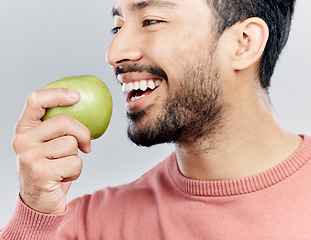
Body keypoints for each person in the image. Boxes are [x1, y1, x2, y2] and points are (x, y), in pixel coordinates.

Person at [1, 0, 309, 239]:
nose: (114, 53)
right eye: (117, 26)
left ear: (243, 43)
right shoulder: (86, 228)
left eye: (150, 21)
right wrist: (34, 213)